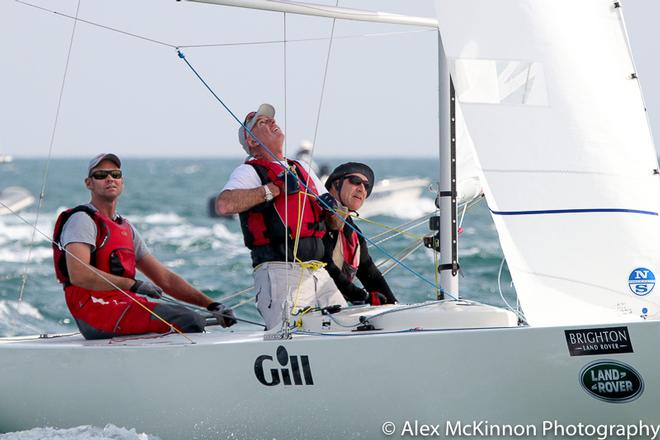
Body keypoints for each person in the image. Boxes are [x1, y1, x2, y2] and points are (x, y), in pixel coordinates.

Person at [52, 153, 236, 340]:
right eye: (101, 175)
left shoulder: (125, 228)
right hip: (95, 312)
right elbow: (79, 275)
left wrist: (211, 305)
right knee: (188, 320)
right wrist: (134, 285)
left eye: (116, 175)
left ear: (122, 182)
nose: (110, 179)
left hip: (123, 306)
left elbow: (165, 279)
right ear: (89, 183)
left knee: (198, 318)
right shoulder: (82, 220)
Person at [216, 103, 347, 330]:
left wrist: (333, 209)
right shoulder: (249, 171)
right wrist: (274, 189)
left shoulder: (302, 168)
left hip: (318, 273)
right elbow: (225, 204)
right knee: (292, 338)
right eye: (262, 122)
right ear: (252, 141)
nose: (272, 122)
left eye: (272, 119)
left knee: (348, 328)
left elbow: (337, 224)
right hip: (280, 273)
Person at [322, 162, 398, 306]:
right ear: (336, 184)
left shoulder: (352, 232)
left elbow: (370, 274)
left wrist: (393, 305)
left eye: (366, 186)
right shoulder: (317, 216)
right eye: (355, 181)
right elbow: (326, 267)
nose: (362, 189)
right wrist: (362, 296)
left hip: (330, 306)